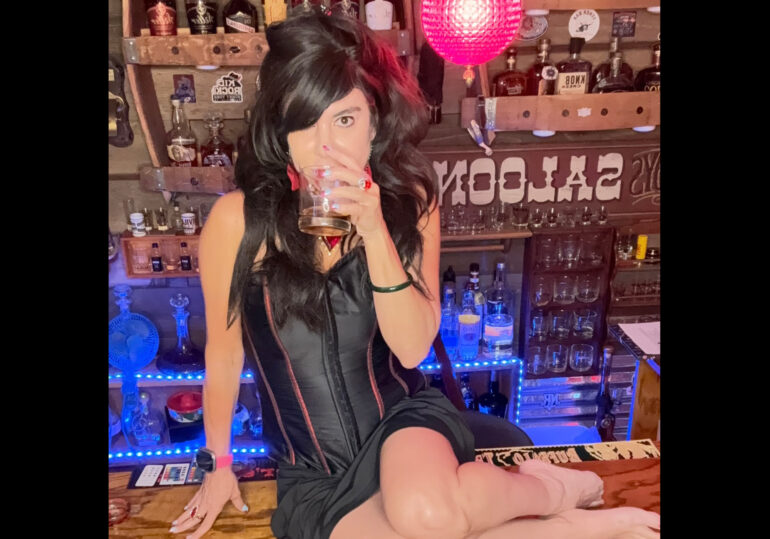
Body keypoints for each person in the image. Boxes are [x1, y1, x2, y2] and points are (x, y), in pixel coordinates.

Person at [170, 12, 660, 539]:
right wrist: (217, 465)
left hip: (402, 426)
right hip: (312, 470)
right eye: (304, 121)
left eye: (345, 120)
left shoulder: (411, 204)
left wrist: (375, 230)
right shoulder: (237, 222)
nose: (324, 146)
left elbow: (410, 350)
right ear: (281, 130)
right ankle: (577, 518)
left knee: (424, 515)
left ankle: (550, 491)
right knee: (435, 528)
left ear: (375, 122)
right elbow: (225, 354)